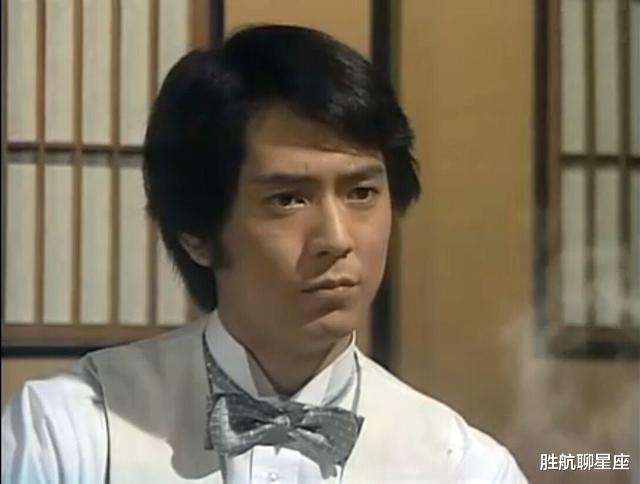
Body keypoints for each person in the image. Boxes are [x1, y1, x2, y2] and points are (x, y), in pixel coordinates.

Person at [2, 25, 527, 483]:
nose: (336, 238)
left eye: (361, 192)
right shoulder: (71, 430)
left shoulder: (462, 465)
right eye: (288, 199)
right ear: (196, 232)